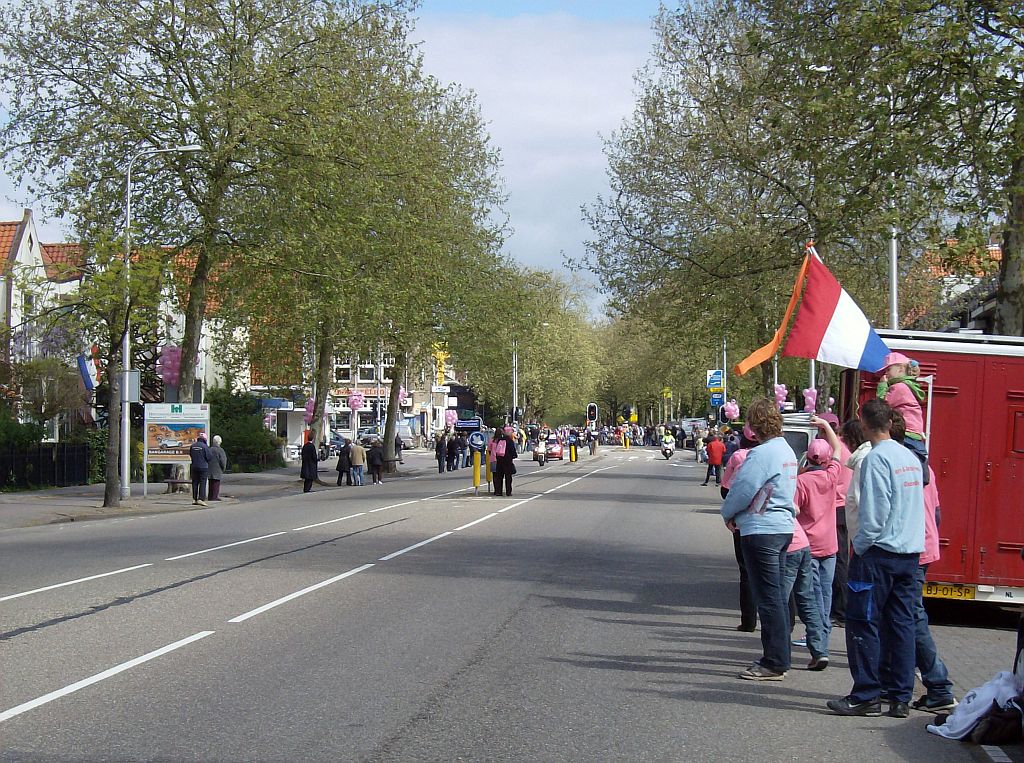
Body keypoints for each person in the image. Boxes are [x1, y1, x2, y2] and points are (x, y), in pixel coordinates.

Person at [827, 398, 924, 718]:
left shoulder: (876, 459)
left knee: (862, 623)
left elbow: (875, 511)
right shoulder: (908, 456)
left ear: (864, 423)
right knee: (901, 625)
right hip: (909, 553)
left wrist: (862, 546)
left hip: (879, 554)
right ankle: (899, 696)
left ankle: (866, 693)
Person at [720, 398, 798, 681]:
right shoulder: (786, 449)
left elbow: (741, 490)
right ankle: (780, 654)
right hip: (781, 527)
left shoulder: (761, 454)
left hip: (761, 528)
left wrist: (727, 513)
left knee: (767, 598)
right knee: (776, 595)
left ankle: (774, 660)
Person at [885, 411, 957, 713]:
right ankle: (906, 680)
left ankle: (938, 683)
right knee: (906, 615)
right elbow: (937, 511)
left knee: (910, 617)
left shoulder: (895, 465)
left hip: (908, 547)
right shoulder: (924, 468)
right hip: (923, 544)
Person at [792, 416, 843, 656]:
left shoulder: (801, 482)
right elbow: (838, 451)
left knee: (812, 593)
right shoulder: (832, 476)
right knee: (827, 589)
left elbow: (794, 510)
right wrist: (825, 426)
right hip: (830, 544)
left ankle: (818, 633)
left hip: (809, 544)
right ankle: (824, 630)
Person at [721, 424, 758, 632]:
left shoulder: (738, 457)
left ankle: (749, 620)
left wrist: (729, 513)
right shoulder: (774, 455)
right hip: (772, 522)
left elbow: (726, 488)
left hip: (742, 521)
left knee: (746, 571)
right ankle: (786, 622)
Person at [833, 418, 865, 627]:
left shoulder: (839, 451)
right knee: (843, 559)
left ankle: (839, 608)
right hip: (846, 508)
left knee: (838, 560)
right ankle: (841, 607)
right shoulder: (855, 454)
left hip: (837, 508)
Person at [877, 351, 928, 478]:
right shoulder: (910, 386)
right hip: (914, 433)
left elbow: (881, 406)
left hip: (905, 432)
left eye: (889, 369)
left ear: (900, 369)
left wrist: (882, 386)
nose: (886, 374)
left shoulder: (899, 387)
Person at [491, 428, 518, 497]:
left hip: (499, 460)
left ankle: (498, 492)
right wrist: (514, 456)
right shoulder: (509, 440)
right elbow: (512, 450)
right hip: (507, 461)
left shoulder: (499, 440)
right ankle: (508, 492)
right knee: (508, 477)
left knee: (499, 477)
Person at [189, 432, 213, 506]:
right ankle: (201, 499)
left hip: (194, 466)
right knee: (202, 483)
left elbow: (191, 455)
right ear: (205, 439)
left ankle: (194, 499)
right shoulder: (205, 447)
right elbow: (209, 457)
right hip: (203, 467)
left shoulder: (192, 446)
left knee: (195, 483)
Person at [208, 434, 228, 501]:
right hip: (217, 469)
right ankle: (215, 497)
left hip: (209, 469)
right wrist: (223, 468)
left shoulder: (209, 449)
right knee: (216, 483)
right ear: (220, 442)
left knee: (210, 483)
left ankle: (210, 496)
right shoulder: (220, 450)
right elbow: (223, 460)